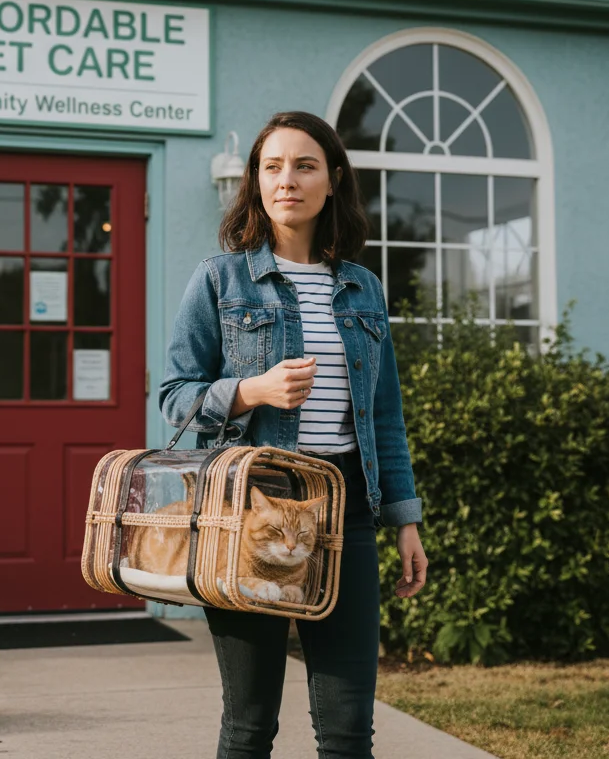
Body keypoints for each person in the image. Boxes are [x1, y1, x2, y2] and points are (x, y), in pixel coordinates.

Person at [158, 110, 429, 759]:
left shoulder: (363, 289)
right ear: (255, 181)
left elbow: (385, 417)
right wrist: (252, 391)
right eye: (272, 166)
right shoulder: (219, 280)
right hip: (249, 510)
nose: (288, 180)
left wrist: (406, 520)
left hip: (345, 510)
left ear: (332, 180)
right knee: (250, 726)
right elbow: (173, 398)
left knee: (346, 731)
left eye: (305, 165)